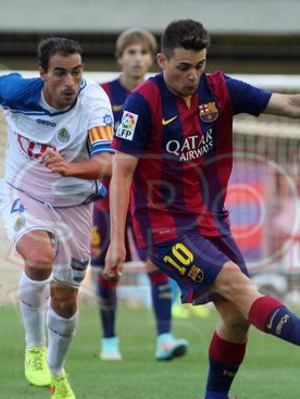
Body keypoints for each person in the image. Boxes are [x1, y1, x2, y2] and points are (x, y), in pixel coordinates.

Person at [104, 19, 300, 399]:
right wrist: (118, 242)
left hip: (212, 222)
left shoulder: (218, 89)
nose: (192, 75)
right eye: (183, 66)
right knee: (237, 284)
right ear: (162, 60)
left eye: (199, 64)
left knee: (237, 318)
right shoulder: (142, 103)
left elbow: (287, 104)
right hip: (163, 230)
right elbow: (123, 172)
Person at [0, 37, 114, 399]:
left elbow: (108, 164)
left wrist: (71, 169)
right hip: (26, 192)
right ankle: (33, 347)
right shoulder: (16, 91)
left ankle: (57, 372)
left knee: (66, 298)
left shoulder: (95, 102)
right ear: (42, 74)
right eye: (60, 73)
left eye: (76, 72)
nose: (70, 82)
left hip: (76, 204)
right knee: (39, 261)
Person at [92, 28, 188, 361]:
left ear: (153, 58)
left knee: (157, 259)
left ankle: (165, 337)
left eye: (142, 53)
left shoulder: (162, 94)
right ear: (120, 57)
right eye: (130, 52)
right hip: (108, 196)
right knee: (107, 264)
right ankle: (109, 342)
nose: (137, 58)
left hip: (149, 195)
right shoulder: (101, 94)